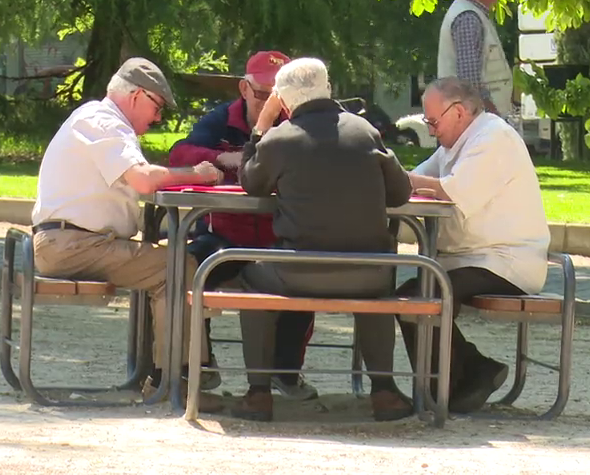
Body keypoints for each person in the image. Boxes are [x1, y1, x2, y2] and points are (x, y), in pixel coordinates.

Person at [31, 57, 224, 411]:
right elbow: (143, 179)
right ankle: (177, 376)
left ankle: (166, 373)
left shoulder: (98, 121)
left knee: (170, 262)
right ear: (137, 96)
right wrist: (198, 173)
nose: (158, 118)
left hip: (72, 241)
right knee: (177, 266)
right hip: (72, 244)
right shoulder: (103, 122)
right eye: (157, 107)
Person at [233, 57, 416, 422]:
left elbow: (250, 183)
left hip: (297, 273)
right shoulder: (365, 132)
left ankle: (258, 394)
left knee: (249, 279)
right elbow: (401, 193)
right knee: (381, 287)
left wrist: (261, 127)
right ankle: (384, 393)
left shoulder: (279, 140)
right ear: (328, 89)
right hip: (369, 274)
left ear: (283, 102)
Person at [169, 51, 319, 400]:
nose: (271, 103)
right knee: (186, 269)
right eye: (263, 94)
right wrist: (218, 157)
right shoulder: (221, 119)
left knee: (305, 277)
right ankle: (198, 366)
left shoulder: (296, 123)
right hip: (224, 237)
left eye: (278, 95)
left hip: (279, 238)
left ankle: (286, 374)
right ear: (244, 89)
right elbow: (179, 154)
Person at [398, 77, 550, 413]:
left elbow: (451, 190)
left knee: (428, 295)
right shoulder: (457, 143)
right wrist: (398, 178)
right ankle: (465, 375)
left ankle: (451, 386)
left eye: (433, 122)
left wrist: (395, 176)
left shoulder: (493, 138)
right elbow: (416, 179)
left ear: (461, 112)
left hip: (505, 260)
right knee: (410, 295)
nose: (432, 131)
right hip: (472, 258)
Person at [437, 0, 512, 118]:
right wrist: (493, 118)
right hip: (479, 124)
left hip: (479, 123)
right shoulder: (468, 18)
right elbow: (469, 85)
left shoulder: (472, 13)